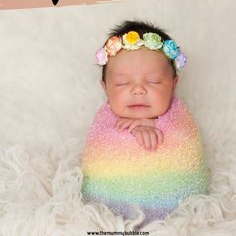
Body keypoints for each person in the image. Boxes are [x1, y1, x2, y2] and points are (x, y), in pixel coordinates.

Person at [81, 20, 208, 223]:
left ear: (174, 84)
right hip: (109, 217)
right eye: (122, 83)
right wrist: (126, 135)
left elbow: (186, 141)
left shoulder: (181, 117)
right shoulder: (103, 121)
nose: (138, 90)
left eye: (154, 81)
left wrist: (157, 126)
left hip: (179, 218)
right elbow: (97, 152)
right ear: (105, 88)